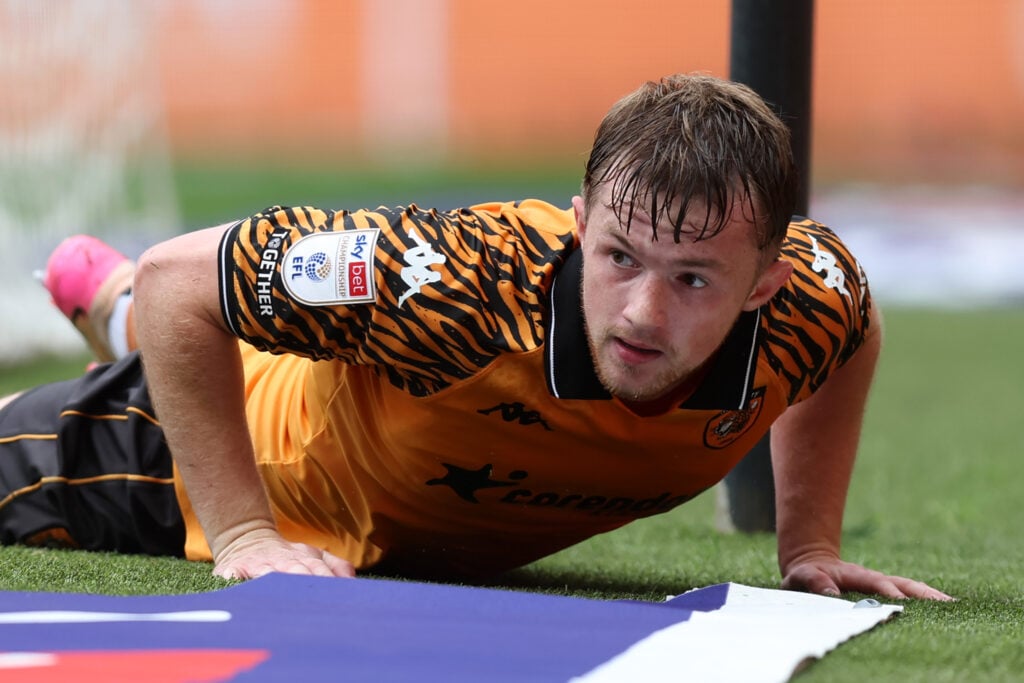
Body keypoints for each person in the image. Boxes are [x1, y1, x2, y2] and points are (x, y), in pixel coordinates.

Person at [0, 73, 951, 601]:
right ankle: (117, 310)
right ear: (580, 225)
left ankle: (104, 298)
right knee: (159, 311)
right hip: (213, 448)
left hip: (387, 479)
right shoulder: (453, 277)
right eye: (619, 258)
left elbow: (852, 329)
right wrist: (248, 531)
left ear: (764, 288)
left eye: (694, 278)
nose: (642, 314)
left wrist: (809, 542)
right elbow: (184, 284)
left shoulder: (813, 304)